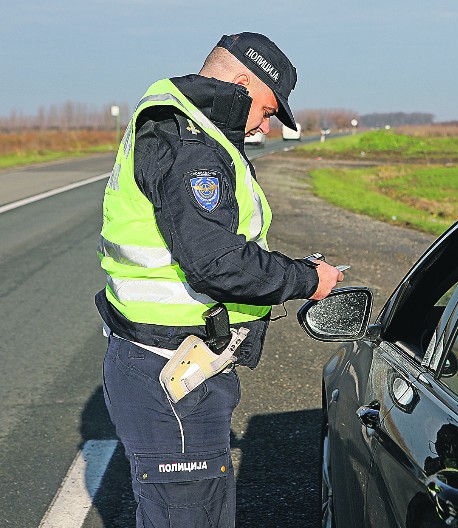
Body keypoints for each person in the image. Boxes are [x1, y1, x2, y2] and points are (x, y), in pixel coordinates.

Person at [96, 32, 343, 526]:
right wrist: (304, 280)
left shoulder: (188, 129)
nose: (266, 127)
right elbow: (217, 262)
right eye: (268, 111)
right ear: (241, 81)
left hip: (174, 366)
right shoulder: (192, 144)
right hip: (170, 371)